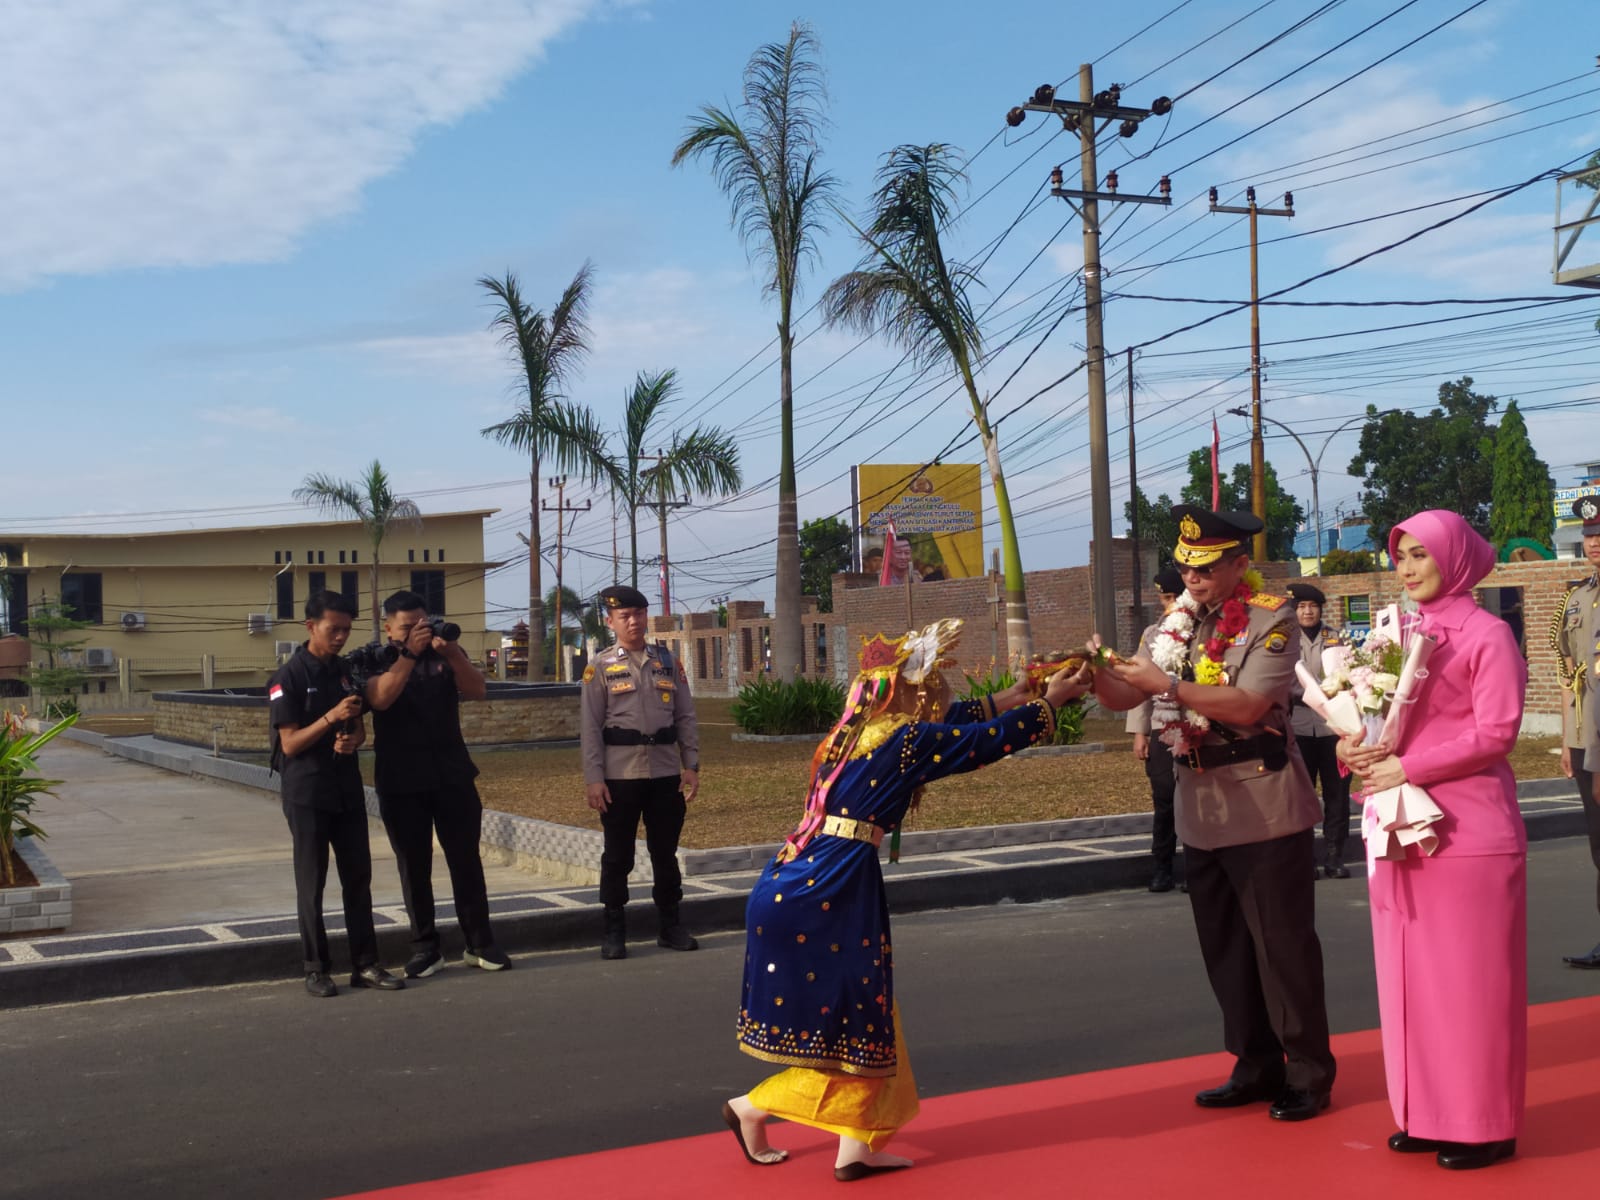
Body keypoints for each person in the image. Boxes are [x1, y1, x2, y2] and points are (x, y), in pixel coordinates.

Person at [722, 618, 1091, 1181]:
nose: (942, 694)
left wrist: (1014, 696)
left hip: (793, 878)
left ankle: (857, 1147)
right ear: (915, 692)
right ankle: (754, 1107)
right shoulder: (905, 741)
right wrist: (1048, 706)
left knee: (866, 1019)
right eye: (935, 684)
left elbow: (950, 727)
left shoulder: (852, 734)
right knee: (859, 1019)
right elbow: (971, 744)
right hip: (834, 885)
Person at [1090, 506, 1336, 1122]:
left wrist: (1166, 686)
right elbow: (1129, 692)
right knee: (1224, 947)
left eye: (1205, 568)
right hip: (1199, 805)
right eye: (1183, 567)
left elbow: (1251, 704)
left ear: (1239, 565)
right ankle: (1254, 1063)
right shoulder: (1169, 628)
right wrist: (1091, 674)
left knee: (1282, 948)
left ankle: (1307, 1071)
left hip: (1263, 802)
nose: (1192, 579)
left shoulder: (1270, 621)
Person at [1338, 510, 1527, 1170]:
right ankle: (1424, 1112)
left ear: (1457, 557)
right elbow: (1373, 720)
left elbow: (1497, 732)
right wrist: (1353, 746)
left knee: (1470, 985)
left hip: (1465, 831)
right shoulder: (1395, 632)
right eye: (1401, 556)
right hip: (1395, 826)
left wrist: (1407, 766)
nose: (1409, 567)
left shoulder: (1487, 635)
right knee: (1406, 978)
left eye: (1423, 553)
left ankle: (1485, 1123)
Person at [360, 590, 508, 978]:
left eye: (421, 625)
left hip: (452, 774)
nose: (417, 633)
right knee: (414, 866)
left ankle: (480, 943)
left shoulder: (444, 658)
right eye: (407, 627)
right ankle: (426, 947)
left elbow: (478, 690)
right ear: (389, 627)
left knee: (466, 861)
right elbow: (381, 699)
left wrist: (454, 652)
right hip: (400, 780)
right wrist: (408, 653)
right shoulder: (377, 659)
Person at [268, 589, 403, 998]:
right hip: (307, 793)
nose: (341, 636)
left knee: (358, 879)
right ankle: (316, 968)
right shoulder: (287, 678)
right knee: (312, 882)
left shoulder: (347, 673)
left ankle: (365, 964)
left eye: (346, 629)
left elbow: (358, 725)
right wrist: (329, 719)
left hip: (346, 789)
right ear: (311, 627)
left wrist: (352, 739)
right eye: (333, 629)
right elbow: (289, 744)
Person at [580, 584, 701, 959]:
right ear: (610, 621)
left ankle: (670, 925)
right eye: (624, 616)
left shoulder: (667, 660)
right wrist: (594, 778)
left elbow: (685, 715)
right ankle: (614, 930)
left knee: (665, 853)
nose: (633, 621)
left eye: (638, 614)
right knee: (618, 856)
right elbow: (590, 727)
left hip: (665, 773)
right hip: (620, 776)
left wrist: (691, 765)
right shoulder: (599, 666)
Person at [1556, 496, 1600, 969]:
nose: (1594, 542)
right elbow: (1569, 673)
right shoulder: (1576, 597)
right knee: (1599, 841)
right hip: (1589, 741)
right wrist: (1569, 739)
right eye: (1589, 535)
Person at [1285, 583, 1352, 879]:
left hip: (1334, 729)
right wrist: (1309, 695)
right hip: (1299, 726)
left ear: (1321, 609)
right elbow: (1279, 679)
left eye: (1312, 606)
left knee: (1337, 794)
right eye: (1301, 606)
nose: (1307, 611)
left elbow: (1349, 674)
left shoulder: (1336, 638)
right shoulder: (1284, 640)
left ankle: (1335, 856)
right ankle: (1305, 858)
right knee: (1302, 796)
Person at [1126, 566, 1185, 892]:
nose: (1169, 604)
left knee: (1198, 804)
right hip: (1162, 727)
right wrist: (1140, 732)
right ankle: (1162, 868)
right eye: (1165, 598)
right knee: (1164, 801)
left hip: (1198, 727)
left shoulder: (1203, 628)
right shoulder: (1151, 635)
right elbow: (1139, 684)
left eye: (1174, 597)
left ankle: (1198, 867)